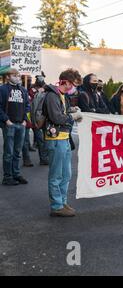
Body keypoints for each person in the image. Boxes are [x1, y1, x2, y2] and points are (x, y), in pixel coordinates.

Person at [43, 69, 82, 217]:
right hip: (55, 139)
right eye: (73, 84)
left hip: (64, 138)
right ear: (65, 82)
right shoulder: (52, 96)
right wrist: (72, 116)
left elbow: (62, 113)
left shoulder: (62, 96)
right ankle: (57, 205)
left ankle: (62, 202)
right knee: (56, 175)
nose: (74, 88)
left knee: (66, 174)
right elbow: (57, 118)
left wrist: (71, 110)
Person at [0, 69, 30, 186]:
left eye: (18, 75)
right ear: (8, 77)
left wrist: (24, 120)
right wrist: (6, 120)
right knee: (8, 152)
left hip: (20, 124)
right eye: (14, 75)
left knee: (17, 152)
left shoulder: (23, 90)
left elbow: (27, 105)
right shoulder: (2, 89)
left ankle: (16, 174)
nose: (18, 77)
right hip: (9, 125)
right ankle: (7, 177)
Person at [30, 75, 49, 165]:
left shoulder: (46, 92)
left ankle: (45, 158)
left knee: (45, 140)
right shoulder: (34, 91)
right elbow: (34, 109)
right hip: (38, 119)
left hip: (44, 119)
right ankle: (43, 158)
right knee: (41, 141)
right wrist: (34, 122)